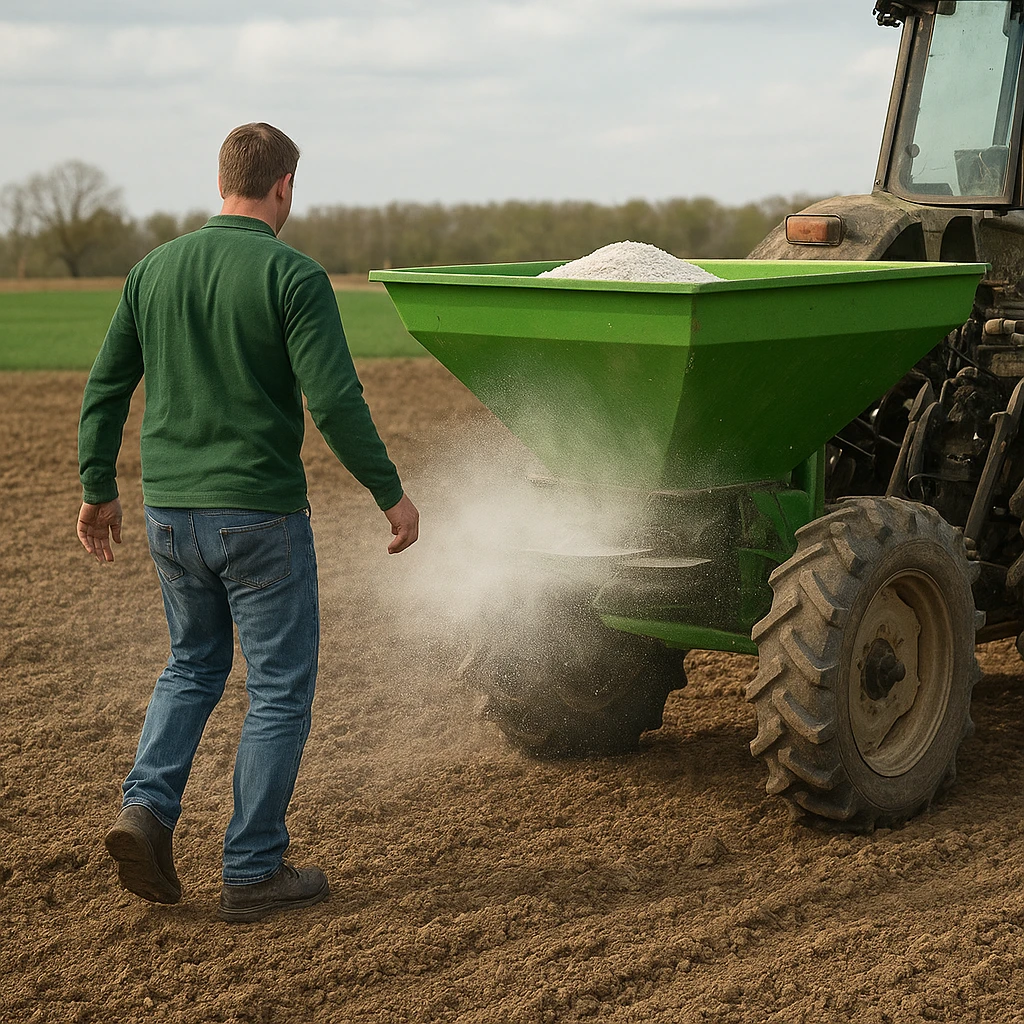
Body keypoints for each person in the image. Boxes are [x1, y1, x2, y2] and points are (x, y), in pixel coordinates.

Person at [76, 122, 419, 923]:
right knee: (276, 690)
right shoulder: (293, 276)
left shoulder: (152, 270)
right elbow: (333, 401)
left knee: (192, 664)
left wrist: (98, 487)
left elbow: (104, 388)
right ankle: (253, 868)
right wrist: (389, 493)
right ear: (285, 185)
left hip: (168, 516)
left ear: (222, 178)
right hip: (258, 517)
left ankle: (147, 809)